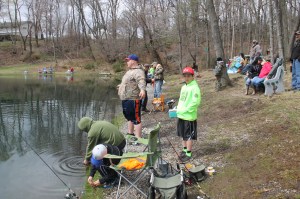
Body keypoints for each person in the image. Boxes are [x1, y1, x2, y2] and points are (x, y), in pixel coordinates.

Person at [118, 54, 146, 138]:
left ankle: (138, 138)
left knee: (136, 119)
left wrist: (142, 89)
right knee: (129, 117)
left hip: (133, 98)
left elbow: (141, 80)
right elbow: (128, 82)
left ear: (133, 61)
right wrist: (121, 86)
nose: (127, 62)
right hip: (125, 98)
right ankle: (130, 134)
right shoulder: (129, 71)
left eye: (128, 60)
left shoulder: (138, 71)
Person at [177, 66, 201, 162]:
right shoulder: (184, 86)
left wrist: (187, 110)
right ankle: (184, 149)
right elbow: (181, 100)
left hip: (189, 116)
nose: (186, 77)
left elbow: (195, 102)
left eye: (188, 76)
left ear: (192, 76)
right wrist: (179, 109)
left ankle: (189, 153)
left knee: (188, 136)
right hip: (181, 115)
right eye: (185, 76)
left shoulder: (195, 87)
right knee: (182, 134)